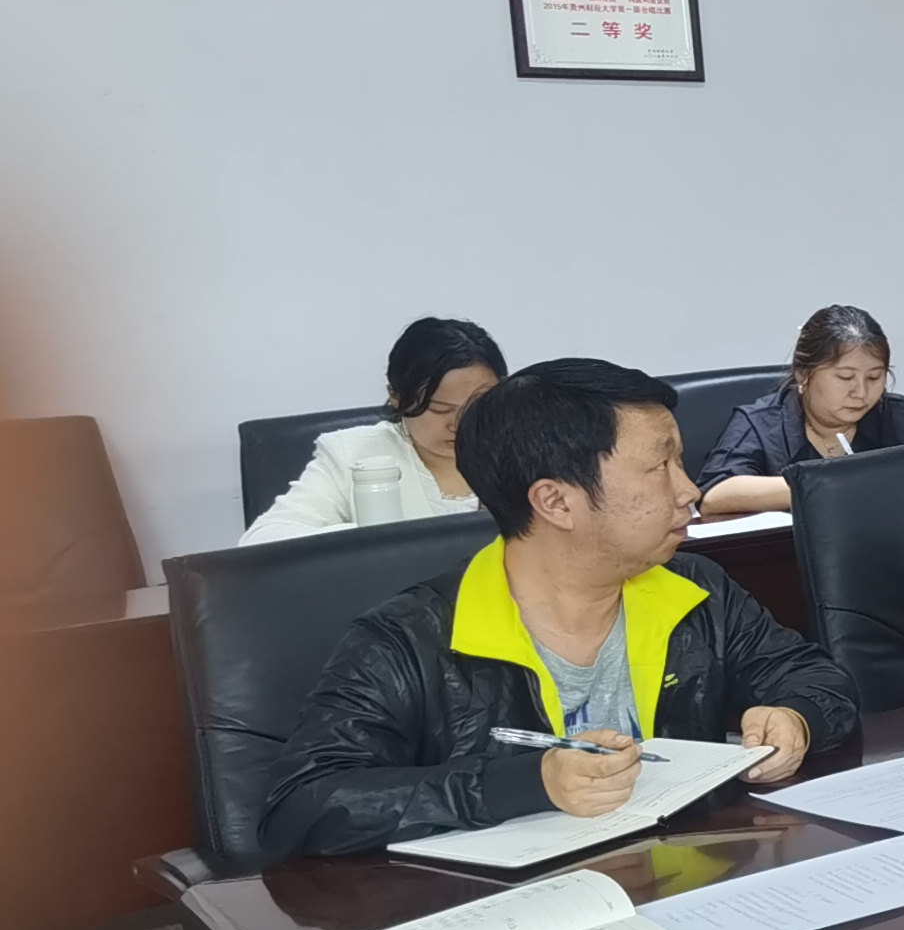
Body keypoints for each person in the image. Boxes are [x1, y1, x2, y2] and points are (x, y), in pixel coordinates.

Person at [248, 361, 860, 869]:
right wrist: (526, 782)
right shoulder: (410, 640)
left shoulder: (695, 591)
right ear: (556, 502)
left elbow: (818, 678)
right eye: (660, 467)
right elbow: (301, 806)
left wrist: (796, 717)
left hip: (686, 890)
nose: (689, 490)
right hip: (513, 923)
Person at [241, 318, 506, 542]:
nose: (460, 424)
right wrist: (372, 536)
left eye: (477, 406)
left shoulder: (517, 445)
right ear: (396, 397)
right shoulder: (352, 454)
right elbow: (262, 539)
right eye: (440, 409)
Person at [693, 305, 904, 514]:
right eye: (845, 377)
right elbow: (715, 494)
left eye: (874, 377)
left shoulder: (899, 415)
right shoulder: (762, 423)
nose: (861, 392)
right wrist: (833, 485)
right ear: (803, 374)